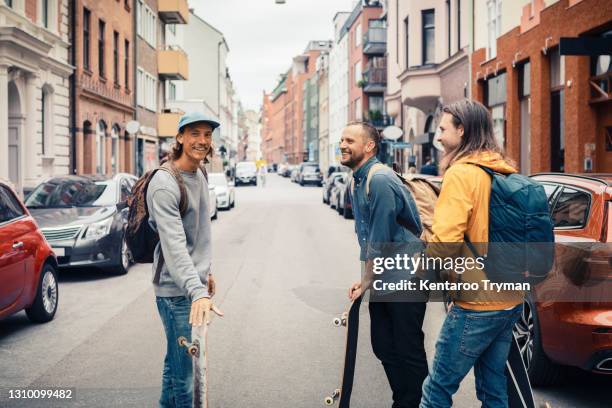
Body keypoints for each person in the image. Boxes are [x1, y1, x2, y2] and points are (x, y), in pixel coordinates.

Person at [419, 100, 524, 408]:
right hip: (510, 299)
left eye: (442, 128)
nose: (437, 136)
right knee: (494, 392)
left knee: (436, 390)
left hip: (477, 303)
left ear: (461, 130)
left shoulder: (461, 173)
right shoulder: (504, 170)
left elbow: (446, 242)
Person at [340, 121, 428, 408]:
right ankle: (404, 399)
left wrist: (367, 280)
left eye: (350, 140)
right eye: (342, 140)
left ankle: (416, 403)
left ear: (369, 146)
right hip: (386, 277)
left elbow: (380, 240)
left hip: (408, 276)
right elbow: (365, 239)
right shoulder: (358, 180)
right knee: (383, 344)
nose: (342, 145)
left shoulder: (379, 179)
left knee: (408, 348)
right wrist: (364, 278)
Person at [147, 112, 224, 408]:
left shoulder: (200, 173)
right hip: (176, 292)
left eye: (207, 134)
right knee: (187, 376)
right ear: (180, 137)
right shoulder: (166, 184)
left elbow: (200, 232)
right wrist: (197, 291)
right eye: (194, 133)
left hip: (192, 286)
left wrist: (207, 272)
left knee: (175, 365)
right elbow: (175, 248)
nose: (202, 141)